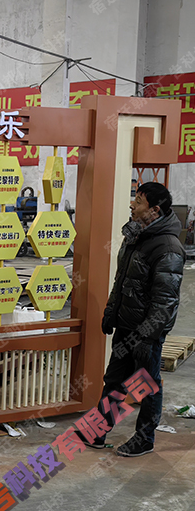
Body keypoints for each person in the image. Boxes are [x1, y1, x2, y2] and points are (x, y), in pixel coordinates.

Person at [87, 182, 185, 457]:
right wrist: (111, 313)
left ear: (154, 210)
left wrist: (148, 337)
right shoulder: (135, 237)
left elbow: (165, 301)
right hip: (125, 325)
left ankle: (145, 439)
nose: (132, 205)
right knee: (114, 379)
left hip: (145, 333)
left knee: (147, 386)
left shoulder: (168, 247)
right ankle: (98, 429)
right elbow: (121, 282)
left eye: (139, 201)